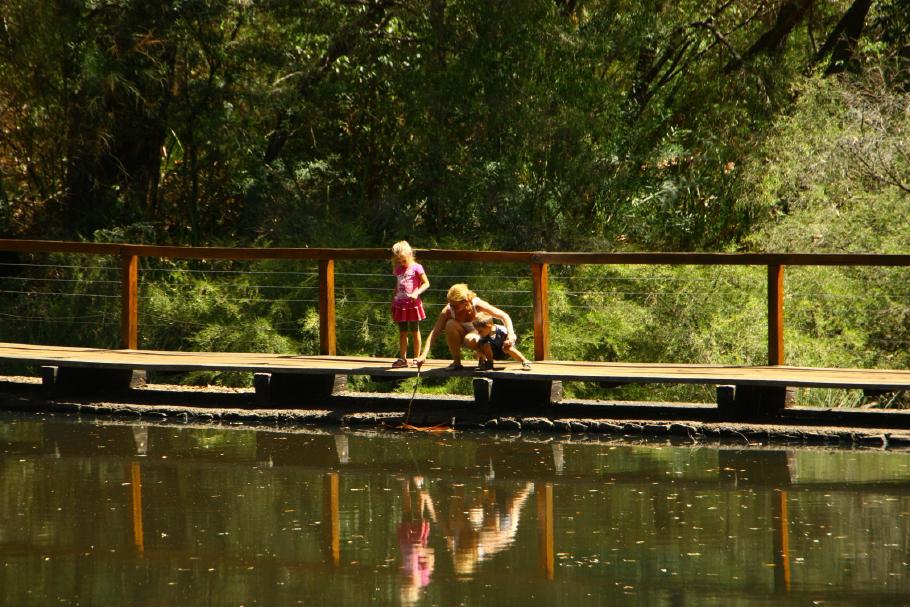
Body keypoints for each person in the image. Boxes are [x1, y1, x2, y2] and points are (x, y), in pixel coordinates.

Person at [414, 283, 517, 371]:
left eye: (455, 305)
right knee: (450, 324)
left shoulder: (477, 305)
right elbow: (435, 332)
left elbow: (504, 316)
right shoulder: (448, 311)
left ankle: (484, 359)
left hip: (482, 338)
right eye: (450, 304)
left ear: (464, 302)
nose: (452, 307)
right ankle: (457, 362)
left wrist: (511, 335)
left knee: (470, 339)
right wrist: (423, 355)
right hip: (463, 337)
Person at [390, 241, 430, 368]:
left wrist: (416, 292)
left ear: (410, 254)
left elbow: (426, 283)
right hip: (400, 305)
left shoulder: (417, 267)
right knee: (402, 332)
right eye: (399, 261)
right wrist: (393, 301)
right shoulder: (398, 269)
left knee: (414, 331)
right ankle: (402, 358)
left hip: (412, 305)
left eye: (403, 260)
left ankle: (417, 358)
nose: (401, 263)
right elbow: (397, 286)